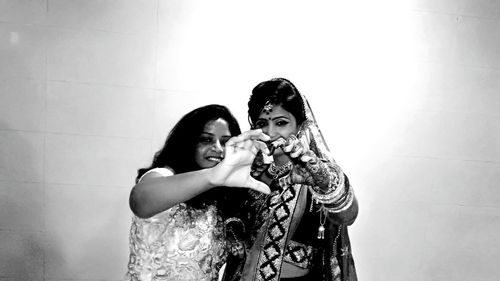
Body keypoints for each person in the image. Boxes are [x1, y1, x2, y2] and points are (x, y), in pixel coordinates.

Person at [225, 78, 358, 281]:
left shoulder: (313, 171)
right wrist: (233, 235)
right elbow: (231, 217)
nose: (270, 133)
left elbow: (347, 215)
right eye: (262, 124)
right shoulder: (249, 172)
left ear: (300, 126)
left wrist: (322, 180)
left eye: (281, 123)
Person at [123, 104, 271, 281]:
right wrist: (213, 176)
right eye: (206, 140)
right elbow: (139, 200)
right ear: (188, 143)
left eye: (225, 142)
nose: (218, 148)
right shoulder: (164, 175)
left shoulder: (221, 197)